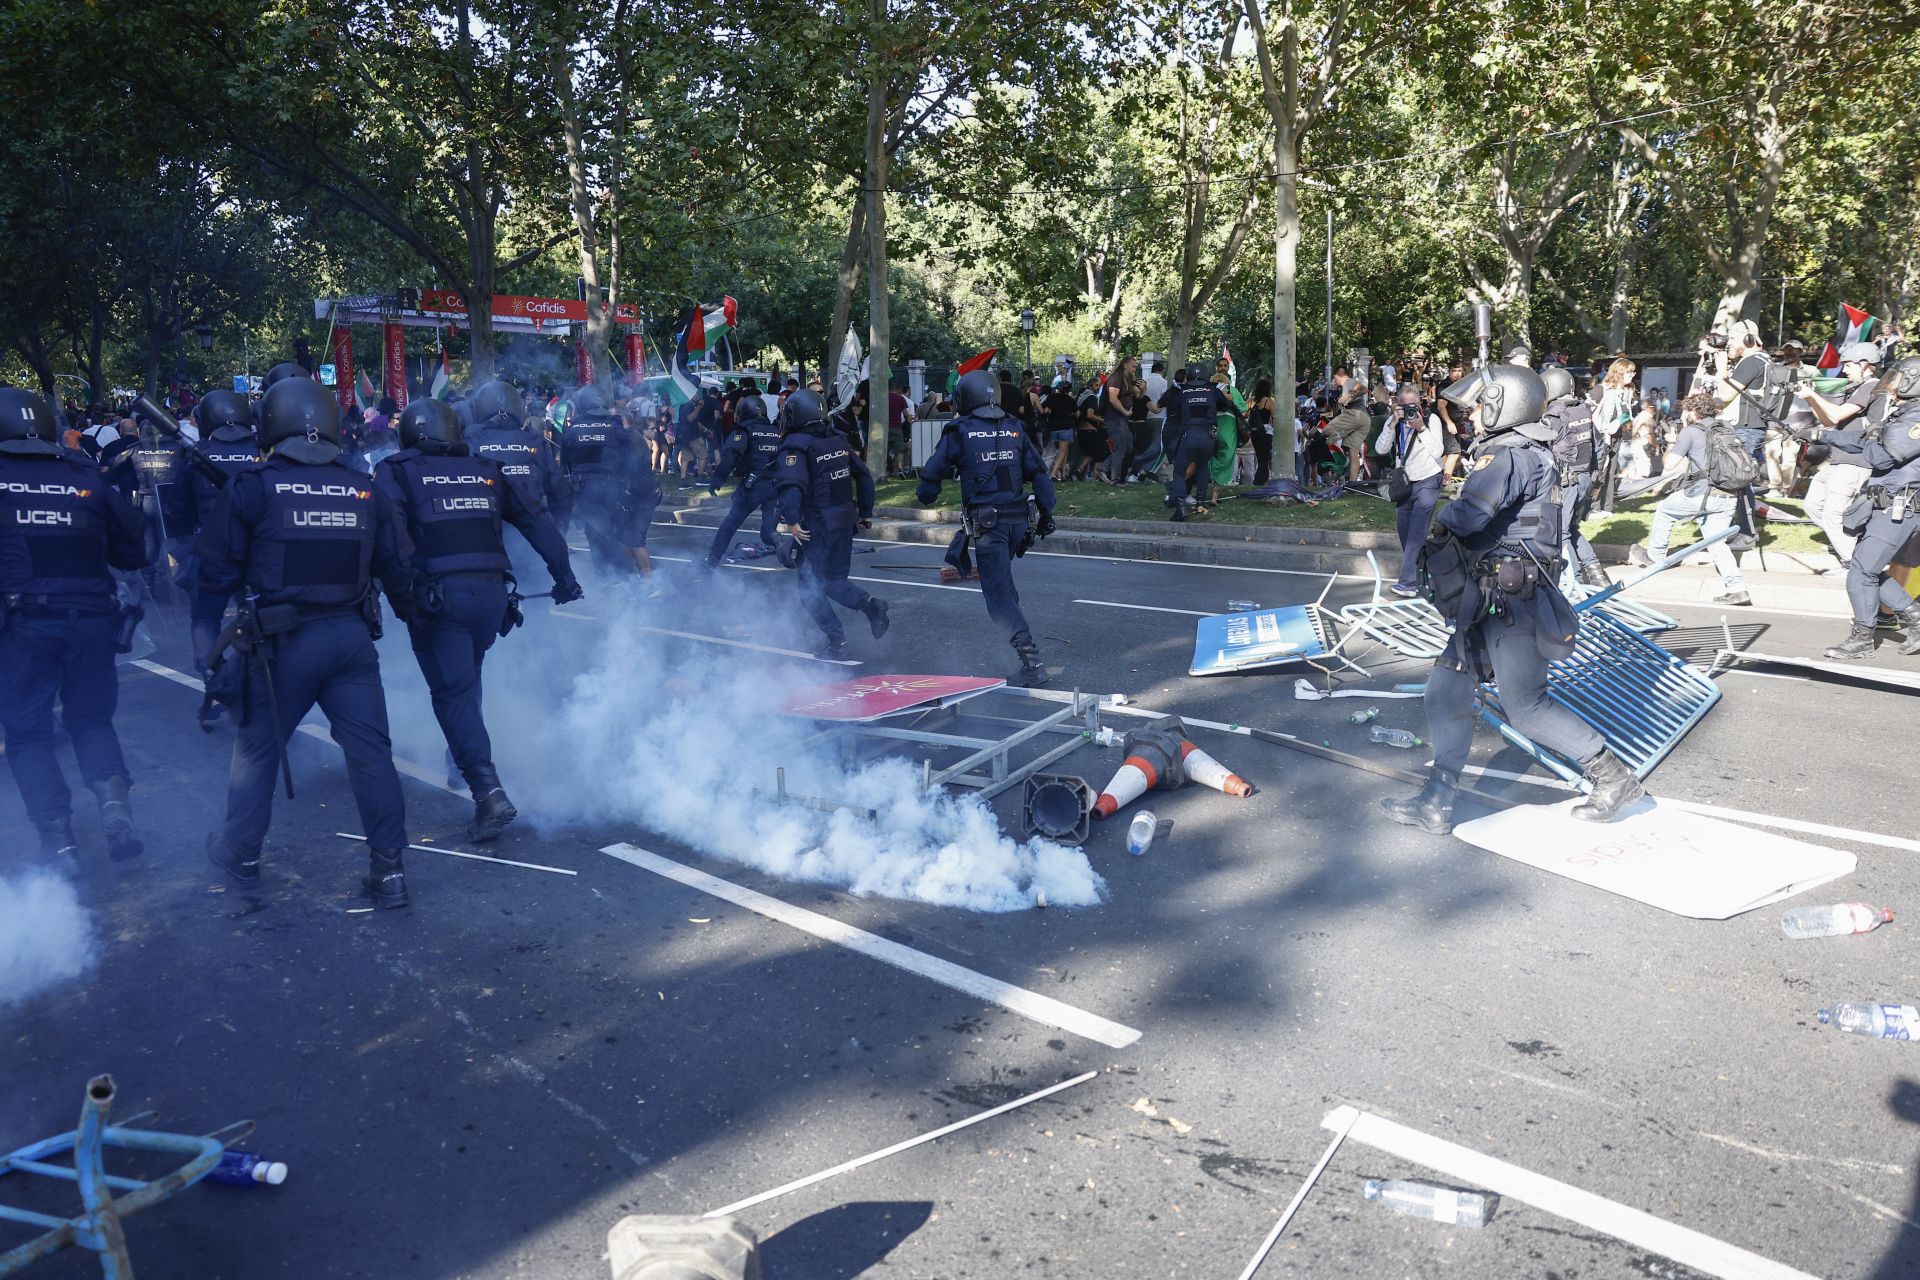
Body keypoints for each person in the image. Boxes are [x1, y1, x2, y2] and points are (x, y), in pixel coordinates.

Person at [1381, 364, 1643, 835]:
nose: (1475, 413)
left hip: (1511, 603)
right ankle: (1437, 800)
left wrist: (1441, 524)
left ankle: (1614, 778)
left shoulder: (1506, 454)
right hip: (1495, 599)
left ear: (1505, 404)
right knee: (1446, 689)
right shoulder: (1531, 451)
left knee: (1525, 704)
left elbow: (1468, 516)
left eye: (1482, 404)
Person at [198, 376, 419, 907]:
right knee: (372, 756)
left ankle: (242, 854)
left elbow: (214, 574)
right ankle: (390, 873)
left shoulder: (254, 485)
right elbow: (397, 566)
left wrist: (209, 645)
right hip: (349, 640)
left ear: (271, 424)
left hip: (281, 646)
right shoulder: (365, 486)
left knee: (257, 751)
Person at [377, 398, 580, 841]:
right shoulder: (485, 468)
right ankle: (459, 757)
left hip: (439, 599)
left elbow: (389, 538)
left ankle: (487, 792)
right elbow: (538, 521)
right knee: (466, 680)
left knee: (451, 693)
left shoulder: (395, 469)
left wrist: (400, 598)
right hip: (491, 597)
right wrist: (564, 577)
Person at [0, 386, 150, 860]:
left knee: (27, 731)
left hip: (22, 624)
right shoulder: (85, 474)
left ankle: (58, 836)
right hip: (92, 617)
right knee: (90, 719)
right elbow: (132, 550)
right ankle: (113, 806)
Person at [915, 369, 1057, 687]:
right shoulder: (1014, 427)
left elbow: (932, 475)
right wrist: (1048, 514)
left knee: (997, 597)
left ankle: (1032, 663)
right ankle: (1023, 640)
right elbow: (1041, 474)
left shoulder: (960, 430)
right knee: (1003, 585)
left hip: (989, 526)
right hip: (1019, 521)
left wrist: (926, 494)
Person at [1807, 356, 1920, 659]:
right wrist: (1824, 437)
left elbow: (1884, 455)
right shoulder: (1906, 413)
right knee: (1864, 566)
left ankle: (1862, 639)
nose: (1891, 383)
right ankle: (1915, 618)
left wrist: (1849, 442)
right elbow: (1867, 437)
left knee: (1860, 571)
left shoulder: (1916, 418)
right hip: (1893, 504)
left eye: (1897, 377)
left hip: (1901, 506)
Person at [774, 389, 889, 660]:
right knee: (833, 580)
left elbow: (792, 486)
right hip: (844, 522)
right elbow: (863, 477)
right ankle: (872, 606)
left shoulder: (797, 446)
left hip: (817, 527)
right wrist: (864, 511)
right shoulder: (837, 440)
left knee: (809, 588)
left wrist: (791, 520)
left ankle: (837, 642)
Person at [1625, 392, 1751, 605]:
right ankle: (1737, 588)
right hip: (1729, 494)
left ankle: (1655, 556)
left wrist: (1673, 442)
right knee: (1717, 542)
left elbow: (1669, 465)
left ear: (1693, 412)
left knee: (1665, 509)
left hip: (1702, 495)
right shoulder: (1726, 428)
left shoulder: (1691, 431)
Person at [185, 389, 264, 676]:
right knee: (263, 614)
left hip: (213, 555)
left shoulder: (195, 456)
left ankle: (211, 674)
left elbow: (176, 510)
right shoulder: (263, 452)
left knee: (206, 614)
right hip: (259, 552)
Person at [564, 386, 663, 597]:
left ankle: (613, 579)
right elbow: (630, 458)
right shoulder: (615, 427)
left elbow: (566, 465)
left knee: (596, 535)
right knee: (613, 533)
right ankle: (626, 579)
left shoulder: (573, 431)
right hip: (613, 489)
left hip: (586, 492)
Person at [1795, 342, 1885, 569]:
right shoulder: (1858, 387)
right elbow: (1829, 421)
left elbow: (1834, 416)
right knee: (1813, 505)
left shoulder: (1872, 386)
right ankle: (1850, 547)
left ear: (1866, 365)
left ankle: (1854, 564)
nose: (1845, 370)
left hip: (1855, 461)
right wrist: (1809, 399)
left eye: (1849, 365)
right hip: (1840, 459)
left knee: (1833, 515)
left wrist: (1813, 394)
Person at [467, 378, 571, 536]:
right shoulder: (533, 441)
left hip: (487, 534)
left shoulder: (469, 441)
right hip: (531, 531)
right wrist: (559, 528)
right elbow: (560, 490)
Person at [1539, 364, 1608, 588]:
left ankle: (1574, 581)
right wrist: (1596, 480)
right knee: (1571, 528)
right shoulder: (1583, 411)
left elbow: (1543, 451)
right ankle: (1597, 576)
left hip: (1566, 482)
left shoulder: (1553, 417)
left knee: (1560, 532)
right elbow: (1599, 446)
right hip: (1585, 479)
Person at [1376, 387, 1449, 596]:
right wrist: (1392, 423)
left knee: (1417, 532)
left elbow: (1437, 451)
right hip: (1405, 483)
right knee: (1405, 533)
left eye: (1412, 406)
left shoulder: (1431, 419)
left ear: (1420, 404)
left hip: (1428, 479)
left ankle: (1407, 583)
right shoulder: (1395, 422)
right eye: (1403, 405)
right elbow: (1380, 449)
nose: (1408, 409)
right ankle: (1427, 572)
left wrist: (1421, 428)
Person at [703, 390, 785, 566]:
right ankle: (779, 542)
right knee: (768, 531)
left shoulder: (744, 430)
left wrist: (716, 482)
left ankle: (711, 562)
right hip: (776, 487)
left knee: (729, 525)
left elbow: (729, 459)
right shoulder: (775, 431)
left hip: (753, 486)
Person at [1164, 366, 1239, 520]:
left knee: (1179, 471)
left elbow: (1173, 407)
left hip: (1188, 434)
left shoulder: (1183, 390)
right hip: (1207, 436)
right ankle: (1200, 504)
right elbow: (1224, 405)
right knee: (1202, 466)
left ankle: (1181, 508)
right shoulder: (1213, 389)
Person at [1592, 358, 1636, 512]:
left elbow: (1626, 413)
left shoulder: (1628, 391)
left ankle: (1607, 507)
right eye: (1629, 372)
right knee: (1599, 471)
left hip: (1616, 436)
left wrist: (1619, 423)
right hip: (1600, 436)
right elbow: (1587, 412)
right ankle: (1592, 506)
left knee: (1611, 471)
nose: (1632, 375)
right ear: (1619, 372)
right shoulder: (1601, 390)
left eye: (1633, 372)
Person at [1099, 356, 1141, 483]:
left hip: (1122, 418)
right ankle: (1115, 479)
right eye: (1133, 366)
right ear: (1125, 365)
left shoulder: (1127, 379)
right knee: (1121, 447)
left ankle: (1103, 467)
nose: (1135, 369)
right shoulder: (1116, 378)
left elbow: (1138, 395)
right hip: (1114, 418)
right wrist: (1124, 411)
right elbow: (1113, 398)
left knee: (1128, 446)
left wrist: (1143, 388)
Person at [1247, 379, 1276, 486]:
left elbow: (1244, 413)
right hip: (1265, 432)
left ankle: (1262, 481)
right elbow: (1275, 417)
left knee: (1260, 458)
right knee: (1264, 459)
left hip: (1254, 433)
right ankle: (1259, 482)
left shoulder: (1251, 400)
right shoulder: (1269, 401)